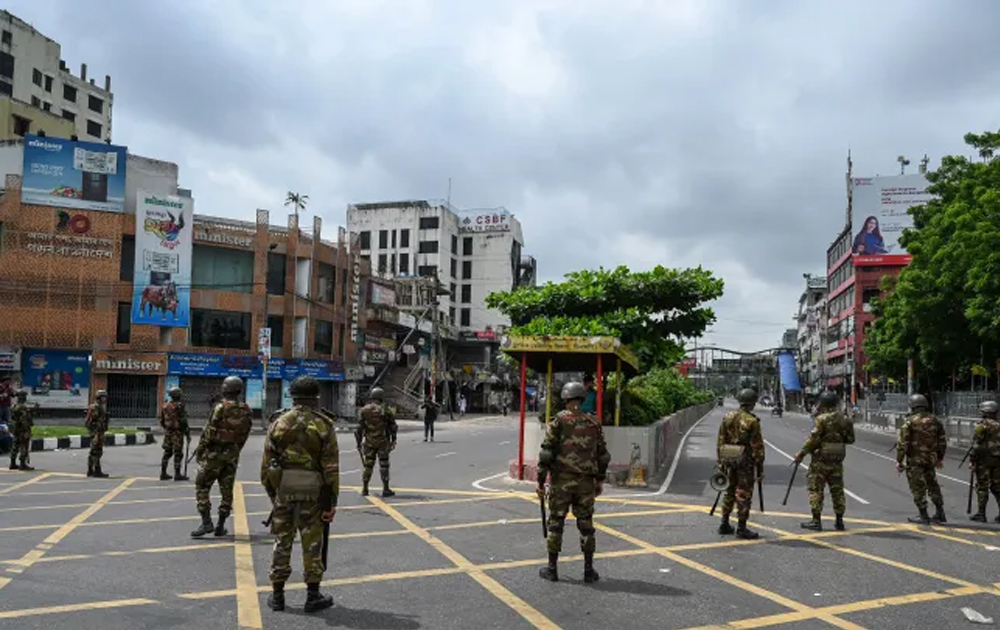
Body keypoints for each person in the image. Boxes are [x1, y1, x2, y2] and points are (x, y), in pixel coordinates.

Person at [261, 376, 338, 613]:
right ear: (316, 397)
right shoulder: (324, 424)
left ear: (292, 396)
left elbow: (266, 468)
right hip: (313, 494)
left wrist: (275, 495)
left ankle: (278, 597)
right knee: (313, 543)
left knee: (282, 542)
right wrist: (330, 503)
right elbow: (331, 470)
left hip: (284, 491)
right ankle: (312, 596)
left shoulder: (278, 423)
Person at [536, 381, 611, 583]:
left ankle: (552, 569)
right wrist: (600, 480)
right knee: (586, 525)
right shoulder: (593, 423)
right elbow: (603, 456)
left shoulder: (558, 422)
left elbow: (546, 454)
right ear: (581, 399)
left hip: (561, 482)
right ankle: (588, 570)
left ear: (566, 399)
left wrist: (541, 482)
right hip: (586, 483)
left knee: (556, 524)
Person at [191, 376, 253, 538]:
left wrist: (200, 451)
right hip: (232, 455)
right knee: (227, 490)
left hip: (214, 455)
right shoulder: (246, 409)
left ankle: (206, 523)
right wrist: (235, 450)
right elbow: (245, 435)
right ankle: (220, 526)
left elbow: (209, 433)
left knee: (202, 486)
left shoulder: (220, 408)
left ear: (225, 389)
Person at [794, 390, 855, 531]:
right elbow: (851, 439)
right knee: (837, 490)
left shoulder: (821, 419)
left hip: (820, 461)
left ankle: (816, 521)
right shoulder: (845, 419)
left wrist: (801, 454)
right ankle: (839, 521)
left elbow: (812, 440)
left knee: (816, 489)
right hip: (836, 461)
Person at [716, 388, 765, 540]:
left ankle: (724, 522)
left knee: (729, 490)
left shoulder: (727, 417)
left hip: (728, 459)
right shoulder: (752, 421)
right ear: (753, 403)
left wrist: (720, 462)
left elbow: (720, 441)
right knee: (743, 493)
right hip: (745, 461)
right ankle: (741, 528)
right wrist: (760, 468)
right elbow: (757, 447)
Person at [896, 393, 947, 524]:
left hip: (915, 460)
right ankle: (940, 512)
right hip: (930, 460)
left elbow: (903, 444)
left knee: (918, 486)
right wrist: (940, 458)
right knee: (933, 485)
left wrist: (899, 460)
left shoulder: (910, 422)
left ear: (912, 406)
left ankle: (923, 515)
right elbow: (942, 441)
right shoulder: (935, 420)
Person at [355, 387, 397, 497]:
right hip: (383, 442)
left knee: (368, 465)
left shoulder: (364, 410)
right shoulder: (385, 410)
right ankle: (386, 488)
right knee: (384, 465)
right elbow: (393, 426)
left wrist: (358, 443)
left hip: (369, 442)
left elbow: (359, 428)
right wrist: (393, 440)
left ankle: (365, 488)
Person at [969, 400, 1000, 523]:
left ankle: (981, 513)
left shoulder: (982, 425)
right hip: (998, 461)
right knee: (997, 487)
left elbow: (976, 445)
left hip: (985, 460)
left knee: (982, 487)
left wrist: (972, 461)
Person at [159, 387, 191, 481]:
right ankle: (177, 474)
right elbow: (183, 421)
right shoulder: (179, 406)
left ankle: (163, 473)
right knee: (178, 453)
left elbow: (162, 420)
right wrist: (187, 433)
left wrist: (167, 428)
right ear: (178, 395)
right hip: (177, 432)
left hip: (168, 432)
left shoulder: (165, 406)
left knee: (167, 452)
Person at [86, 390, 110, 478]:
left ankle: (90, 470)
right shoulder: (96, 407)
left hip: (97, 432)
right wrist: (97, 434)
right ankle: (96, 470)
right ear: (99, 398)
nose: (105, 399)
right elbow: (93, 422)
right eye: (103, 397)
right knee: (96, 451)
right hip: (96, 433)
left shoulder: (98, 407)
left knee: (94, 451)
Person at [9, 390, 34, 470]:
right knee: (24, 446)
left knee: (15, 445)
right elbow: (24, 420)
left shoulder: (14, 406)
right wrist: (27, 431)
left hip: (15, 429)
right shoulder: (22, 407)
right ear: (22, 397)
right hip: (22, 429)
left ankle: (12, 463)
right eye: (24, 396)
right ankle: (22, 464)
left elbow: (14, 417)